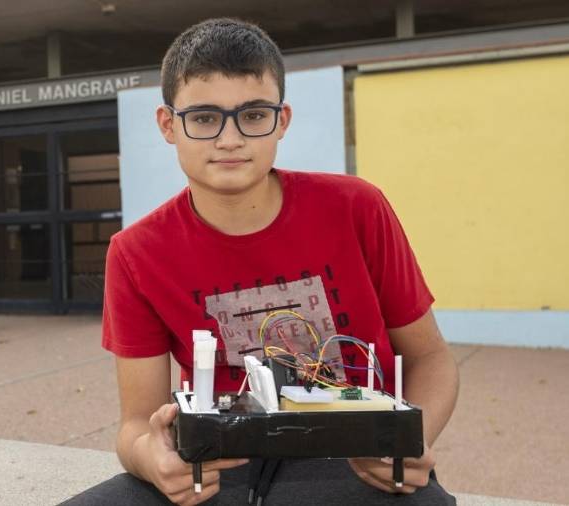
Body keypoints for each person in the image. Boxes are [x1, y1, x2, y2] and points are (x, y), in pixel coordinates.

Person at [64, 18, 458, 506]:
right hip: (217, 461)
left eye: (252, 115)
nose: (230, 139)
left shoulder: (355, 208)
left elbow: (430, 359)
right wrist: (153, 458)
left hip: (356, 457)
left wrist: (411, 441)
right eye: (205, 118)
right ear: (169, 125)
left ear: (282, 120)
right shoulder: (136, 252)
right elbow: (135, 425)